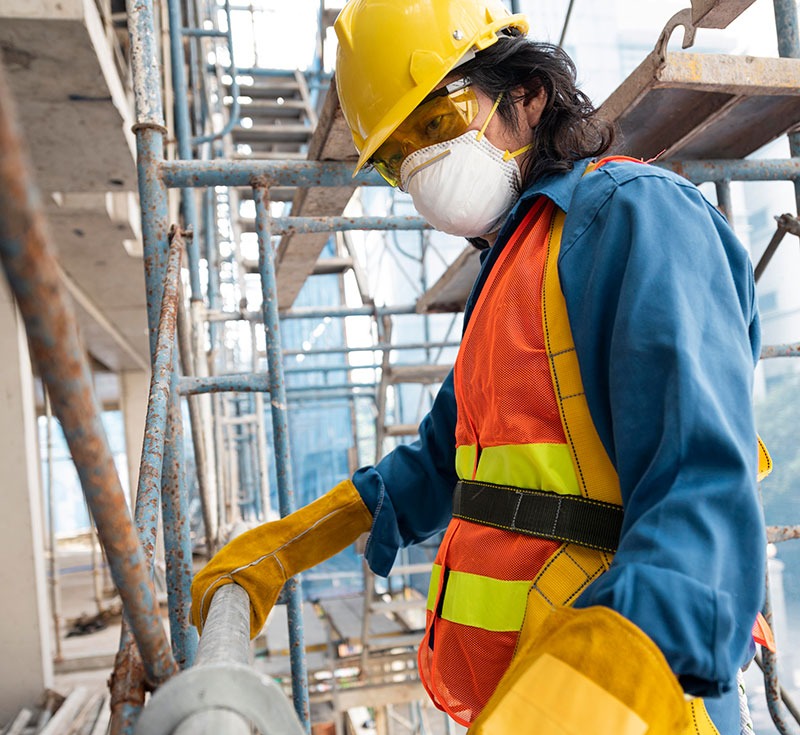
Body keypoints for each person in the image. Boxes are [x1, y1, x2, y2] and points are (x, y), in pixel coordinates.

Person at [191, 1, 771, 732]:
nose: (422, 166)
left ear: (526, 94)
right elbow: (442, 460)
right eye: (399, 157)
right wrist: (297, 538)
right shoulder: (514, 266)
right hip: (531, 695)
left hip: (627, 700)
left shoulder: (633, 217)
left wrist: (612, 675)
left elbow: (701, 489)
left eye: (436, 124)